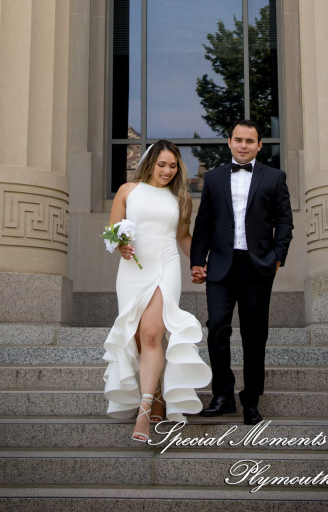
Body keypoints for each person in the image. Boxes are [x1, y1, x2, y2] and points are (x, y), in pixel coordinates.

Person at [103, 140, 212, 442]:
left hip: (166, 267)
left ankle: (144, 408)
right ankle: (158, 394)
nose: (167, 171)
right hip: (132, 271)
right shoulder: (128, 191)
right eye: (162, 164)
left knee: (152, 333)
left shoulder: (180, 197)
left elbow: (183, 237)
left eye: (173, 166)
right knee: (138, 337)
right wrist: (121, 245)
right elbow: (112, 230)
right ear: (150, 163)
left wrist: (202, 264)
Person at [190, 119, 293, 425]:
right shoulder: (214, 178)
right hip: (221, 266)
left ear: (259, 145)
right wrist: (197, 260)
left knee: (254, 334)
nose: (243, 145)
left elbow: (284, 222)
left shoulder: (275, 177)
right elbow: (203, 222)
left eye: (250, 141)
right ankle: (222, 396)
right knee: (217, 328)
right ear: (229, 142)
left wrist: (277, 258)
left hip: (258, 267)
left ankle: (251, 400)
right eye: (238, 140)